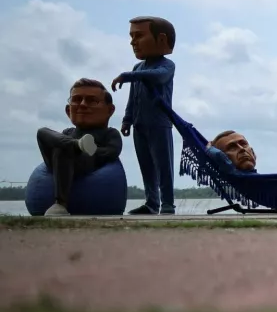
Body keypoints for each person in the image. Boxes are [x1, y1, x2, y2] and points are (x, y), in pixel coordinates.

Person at [111, 16, 177, 215]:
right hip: (140, 124)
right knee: (146, 166)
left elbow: (158, 77)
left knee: (163, 166)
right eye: (131, 36)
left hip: (159, 124)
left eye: (139, 36)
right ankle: (151, 203)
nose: (133, 42)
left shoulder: (167, 65)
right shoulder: (138, 68)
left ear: (162, 39)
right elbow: (133, 98)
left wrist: (128, 77)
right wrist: (127, 119)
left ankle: (167, 204)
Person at [36, 79, 124, 216]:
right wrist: (77, 146)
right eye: (76, 100)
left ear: (110, 110)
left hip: (86, 163)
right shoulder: (68, 133)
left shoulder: (110, 133)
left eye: (92, 101)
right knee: (42, 132)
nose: (82, 105)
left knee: (63, 149)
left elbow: (111, 152)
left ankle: (60, 203)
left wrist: (88, 152)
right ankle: (76, 145)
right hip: (58, 163)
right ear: (67, 110)